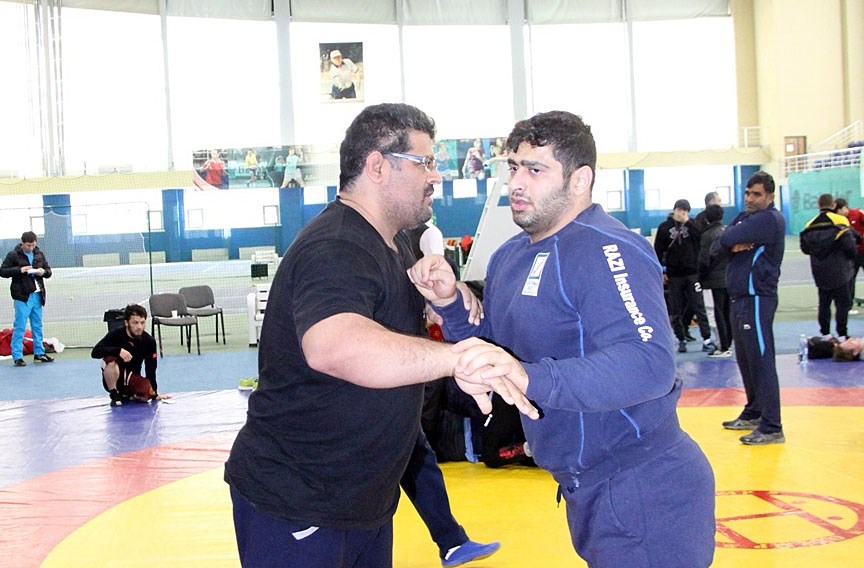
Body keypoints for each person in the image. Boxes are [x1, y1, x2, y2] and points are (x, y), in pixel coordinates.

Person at [224, 103, 533, 568]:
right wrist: (455, 359)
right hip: (299, 502)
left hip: (363, 502)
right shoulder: (335, 246)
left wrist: (449, 299)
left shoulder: (395, 243)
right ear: (378, 166)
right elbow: (334, 346)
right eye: (425, 162)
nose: (436, 176)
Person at [409, 111, 716, 567]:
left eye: (535, 170)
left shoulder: (607, 248)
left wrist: (531, 377)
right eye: (514, 167)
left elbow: (650, 363)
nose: (517, 183)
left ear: (580, 180)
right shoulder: (509, 257)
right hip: (584, 487)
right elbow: (500, 354)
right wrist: (451, 303)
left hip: (643, 486)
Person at [716, 171, 786, 445]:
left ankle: (772, 425)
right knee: (746, 359)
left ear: (770, 196)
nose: (750, 198)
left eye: (757, 194)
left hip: (757, 298)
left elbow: (727, 237)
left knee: (761, 359)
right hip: (740, 298)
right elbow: (719, 245)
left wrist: (731, 240)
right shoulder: (745, 218)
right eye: (747, 193)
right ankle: (755, 410)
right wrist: (731, 242)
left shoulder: (769, 219)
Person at [653, 199, 714, 353]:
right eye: (680, 210)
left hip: (692, 273)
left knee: (699, 306)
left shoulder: (693, 225)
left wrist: (687, 222)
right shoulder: (664, 228)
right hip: (674, 275)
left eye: (685, 211)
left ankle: (706, 338)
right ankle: (681, 338)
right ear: (674, 210)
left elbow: (701, 238)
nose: (682, 213)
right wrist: (661, 271)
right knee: (675, 309)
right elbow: (658, 251)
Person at [800, 193, 857, 340]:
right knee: (842, 304)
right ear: (833, 205)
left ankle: (825, 334)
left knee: (824, 304)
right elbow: (850, 246)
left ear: (818, 205)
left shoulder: (809, 224)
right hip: (840, 270)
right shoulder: (841, 221)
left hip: (820, 271)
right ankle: (842, 334)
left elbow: (805, 248)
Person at [91, 304, 170, 406]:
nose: (139, 327)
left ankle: (129, 394)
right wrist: (118, 351)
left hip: (131, 378)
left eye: (142, 323)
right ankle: (114, 395)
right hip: (114, 376)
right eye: (135, 323)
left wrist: (154, 394)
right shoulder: (116, 335)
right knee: (110, 359)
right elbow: (95, 352)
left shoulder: (149, 341)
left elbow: (151, 368)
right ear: (126, 323)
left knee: (146, 393)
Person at [1, 231, 54, 367]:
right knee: (20, 326)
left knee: (37, 325)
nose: (31, 248)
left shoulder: (39, 254)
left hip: (37, 295)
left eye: (33, 245)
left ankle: (39, 353)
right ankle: (17, 356)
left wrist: (43, 272)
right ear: (22, 243)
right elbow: (3, 271)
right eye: (28, 245)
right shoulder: (13, 255)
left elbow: (48, 271)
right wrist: (20, 270)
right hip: (22, 296)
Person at [698, 204, 733, 357]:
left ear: (707, 218)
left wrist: (701, 277)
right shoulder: (728, 231)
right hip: (729, 276)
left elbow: (705, 260)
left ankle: (723, 346)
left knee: (717, 313)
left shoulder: (708, 235)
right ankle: (728, 343)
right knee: (727, 311)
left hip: (714, 279)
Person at [833, 198, 864, 307]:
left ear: (844, 208)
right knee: (849, 279)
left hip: (863, 251)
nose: (838, 213)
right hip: (851, 254)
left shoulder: (858, 214)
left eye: (839, 210)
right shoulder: (838, 219)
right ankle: (848, 305)